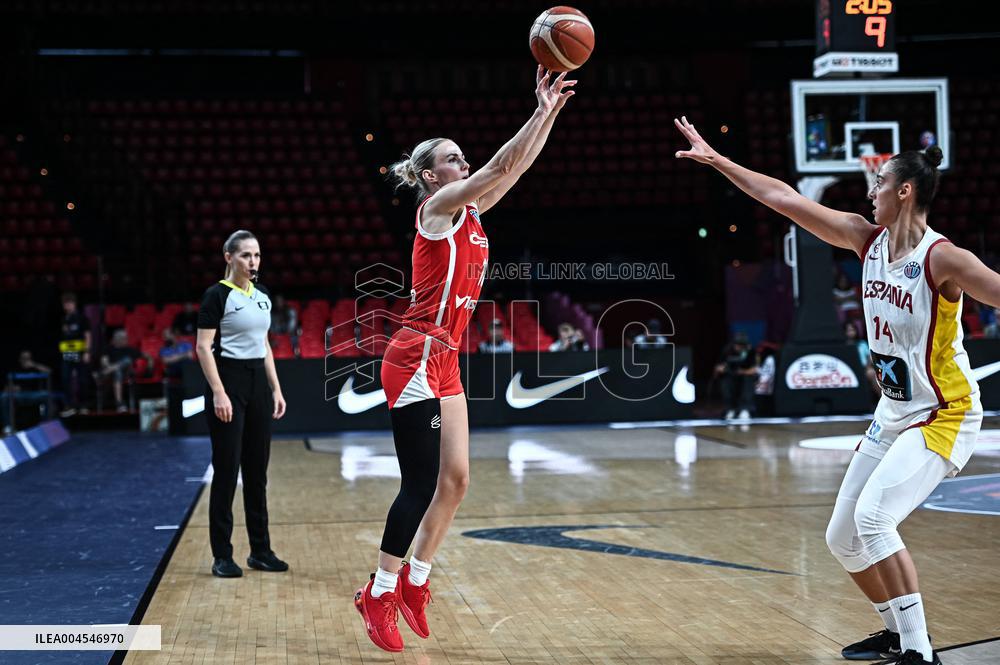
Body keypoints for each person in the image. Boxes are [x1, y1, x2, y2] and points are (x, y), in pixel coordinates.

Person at [676, 115, 1000, 665]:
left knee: (875, 519)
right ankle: (896, 632)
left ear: (903, 191)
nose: (869, 193)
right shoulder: (863, 238)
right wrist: (720, 161)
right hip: (894, 409)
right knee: (841, 537)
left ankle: (920, 654)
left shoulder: (943, 258)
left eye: (878, 185)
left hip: (944, 412)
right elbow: (782, 198)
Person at [353, 66, 575, 653]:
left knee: (457, 481)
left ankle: (416, 582)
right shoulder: (436, 212)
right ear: (431, 176)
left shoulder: (471, 213)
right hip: (414, 354)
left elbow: (517, 167)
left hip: (446, 358)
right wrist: (536, 111)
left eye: (462, 157)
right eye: (453, 159)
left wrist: (547, 111)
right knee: (421, 482)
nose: (463, 163)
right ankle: (377, 591)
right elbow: (501, 166)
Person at [195, 229, 288, 579]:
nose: (253, 262)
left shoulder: (262, 295)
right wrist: (218, 391)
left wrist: (275, 389)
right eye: (246, 255)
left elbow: (264, 345)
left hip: (257, 387)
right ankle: (222, 555)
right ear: (228, 257)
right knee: (226, 471)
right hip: (228, 382)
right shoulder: (216, 296)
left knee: (257, 472)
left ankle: (261, 551)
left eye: (257, 255)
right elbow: (204, 347)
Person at [93, 329, 148, 412]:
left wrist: (150, 361)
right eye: (124, 338)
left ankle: (102, 374)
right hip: (111, 376)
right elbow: (104, 362)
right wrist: (111, 367)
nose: (126, 340)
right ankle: (119, 403)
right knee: (117, 371)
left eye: (125, 338)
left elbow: (146, 356)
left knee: (127, 360)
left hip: (125, 374)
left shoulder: (130, 349)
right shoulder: (108, 349)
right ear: (117, 339)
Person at [58, 292, 91, 415]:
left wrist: (87, 351)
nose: (67, 306)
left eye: (69, 303)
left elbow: (88, 335)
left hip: (79, 352)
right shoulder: (63, 319)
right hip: (67, 352)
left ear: (74, 304)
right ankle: (69, 406)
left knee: (82, 379)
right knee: (65, 378)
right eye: (65, 304)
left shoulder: (82, 318)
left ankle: (83, 405)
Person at [714, 331, 757, 420]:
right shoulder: (727, 350)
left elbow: (755, 369)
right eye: (738, 345)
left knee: (748, 380)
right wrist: (724, 369)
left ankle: (745, 409)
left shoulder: (750, 350)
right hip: (729, 375)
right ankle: (730, 409)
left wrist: (743, 372)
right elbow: (718, 367)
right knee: (726, 381)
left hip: (745, 375)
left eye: (742, 346)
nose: (740, 348)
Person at [845, 320, 880, 404]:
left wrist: (868, 366)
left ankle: (881, 398)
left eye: (852, 330)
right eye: (848, 330)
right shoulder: (845, 345)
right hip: (850, 370)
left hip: (864, 369)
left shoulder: (862, 344)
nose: (851, 333)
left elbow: (869, 357)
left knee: (871, 373)